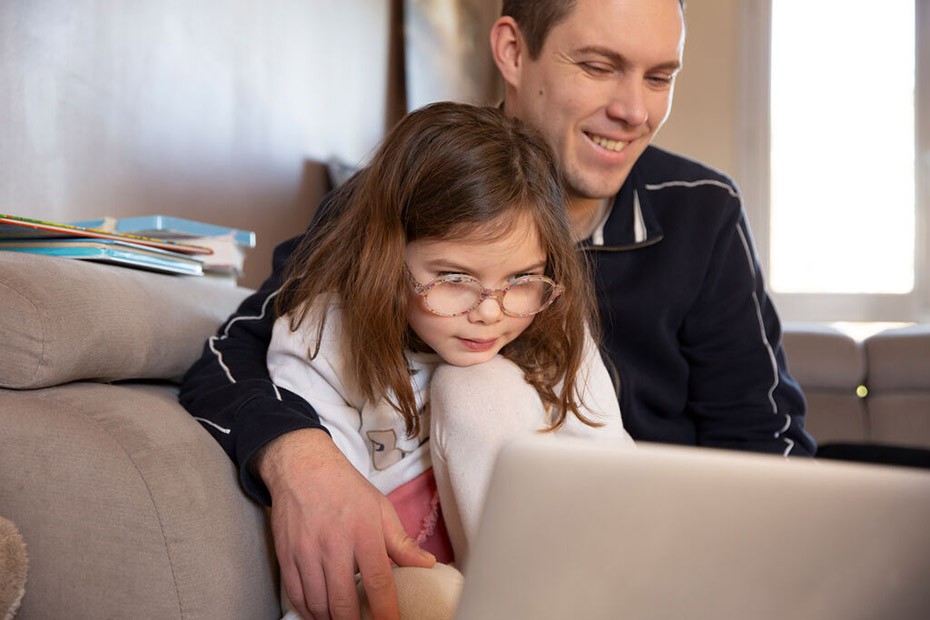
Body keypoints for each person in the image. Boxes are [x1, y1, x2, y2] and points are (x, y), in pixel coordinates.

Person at [180, 0, 816, 618]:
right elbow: (234, 353)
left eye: (659, 77)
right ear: (512, 51)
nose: (633, 110)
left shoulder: (702, 209)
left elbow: (763, 442)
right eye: (598, 66)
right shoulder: (393, 197)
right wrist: (301, 459)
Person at [269, 102, 632, 617]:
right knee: (434, 594)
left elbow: (614, 484)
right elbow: (330, 538)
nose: (489, 313)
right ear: (386, 255)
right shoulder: (321, 337)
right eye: (455, 278)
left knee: (480, 387)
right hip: (389, 581)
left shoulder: (555, 322)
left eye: (521, 279)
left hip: (539, 582)